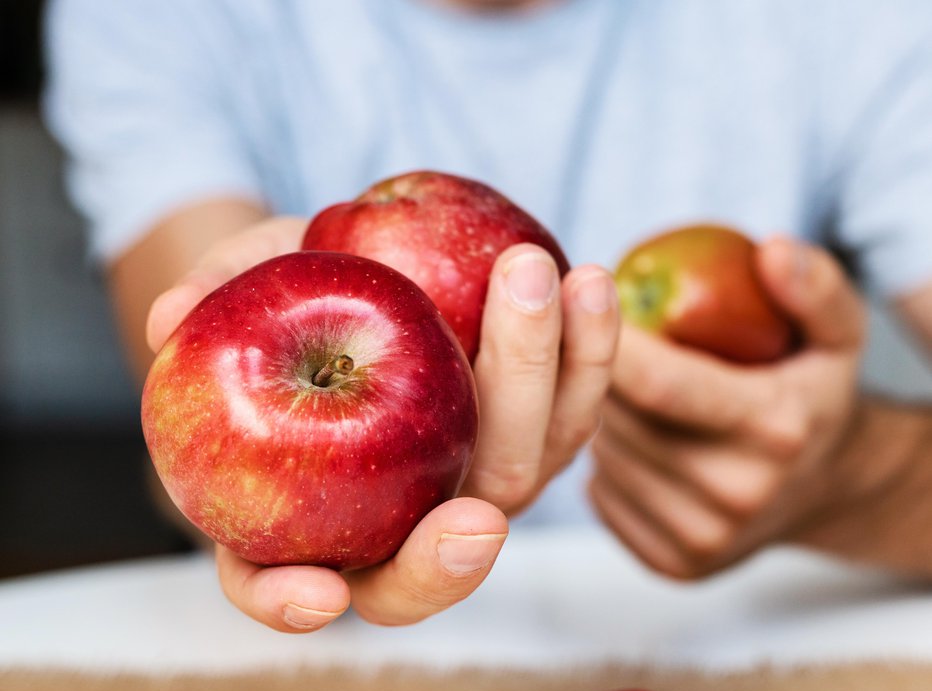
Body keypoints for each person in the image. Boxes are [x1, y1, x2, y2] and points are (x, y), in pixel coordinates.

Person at [43, 0, 932, 633]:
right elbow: (193, 398)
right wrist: (270, 497)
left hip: (737, 643)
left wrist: (869, 480)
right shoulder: (153, 14)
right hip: (328, 683)